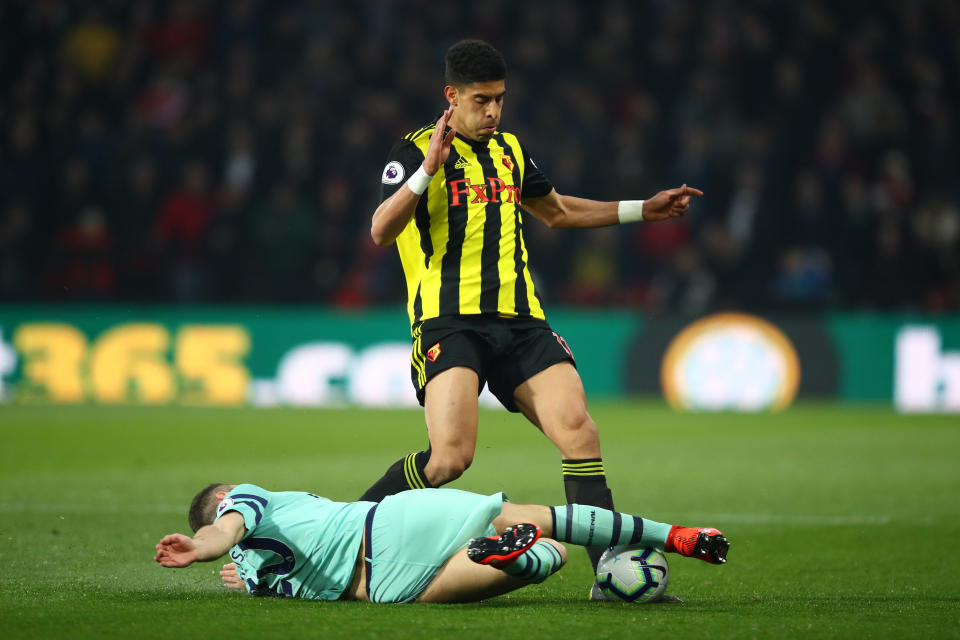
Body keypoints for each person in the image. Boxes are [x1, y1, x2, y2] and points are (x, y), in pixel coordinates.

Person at [360, 38, 703, 597]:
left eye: (499, 99)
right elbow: (380, 230)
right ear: (451, 96)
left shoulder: (511, 151)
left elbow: (559, 211)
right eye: (480, 101)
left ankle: (609, 575)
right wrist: (426, 172)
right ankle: (350, 530)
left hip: (521, 321)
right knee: (450, 460)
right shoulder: (414, 151)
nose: (493, 112)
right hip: (450, 323)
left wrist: (645, 209)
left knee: (579, 432)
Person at [154, 482, 729, 604]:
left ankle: (512, 557)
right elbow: (220, 529)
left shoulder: (253, 576)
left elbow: (223, 542)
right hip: (395, 520)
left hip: (385, 586)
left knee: (542, 563)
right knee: (550, 523)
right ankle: (672, 535)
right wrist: (204, 544)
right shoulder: (247, 501)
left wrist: (215, 556)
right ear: (227, 496)